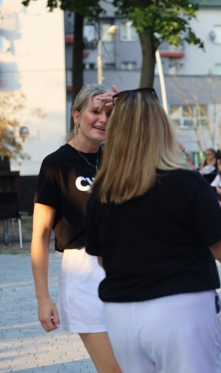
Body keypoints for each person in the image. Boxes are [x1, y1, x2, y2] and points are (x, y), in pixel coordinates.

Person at [84, 88, 221, 372]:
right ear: (161, 128)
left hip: (121, 313)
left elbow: (103, 259)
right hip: (181, 309)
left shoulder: (102, 191)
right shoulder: (185, 182)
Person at [31, 84, 121, 372]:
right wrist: (43, 298)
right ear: (76, 115)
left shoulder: (119, 158)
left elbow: (170, 149)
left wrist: (129, 103)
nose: (103, 119)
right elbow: (41, 234)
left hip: (126, 269)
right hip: (84, 273)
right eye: (95, 111)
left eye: (110, 113)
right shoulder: (56, 164)